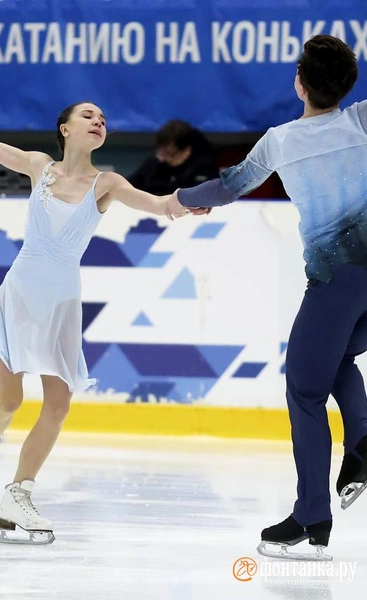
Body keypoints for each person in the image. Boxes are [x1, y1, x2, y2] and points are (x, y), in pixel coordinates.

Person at [0, 92, 207, 544]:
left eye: (103, 117)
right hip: (20, 295)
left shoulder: (108, 184)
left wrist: (187, 200)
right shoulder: (40, 166)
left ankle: (17, 492)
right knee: (9, 402)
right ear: (66, 128)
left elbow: (156, 204)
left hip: (62, 304)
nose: (98, 120)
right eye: (88, 115)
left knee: (58, 405)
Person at [170, 35, 367, 561]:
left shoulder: (281, 141)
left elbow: (229, 186)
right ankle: (360, 449)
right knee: (337, 357)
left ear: (299, 83)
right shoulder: (363, 121)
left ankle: (311, 514)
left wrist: (178, 200)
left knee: (304, 391)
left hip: (337, 278)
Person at [127, 120, 219, 196]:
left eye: (169, 153)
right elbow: (128, 184)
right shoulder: (156, 162)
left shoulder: (205, 166)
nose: (163, 158)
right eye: (161, 151)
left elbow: (200, 196)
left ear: (186, 150)